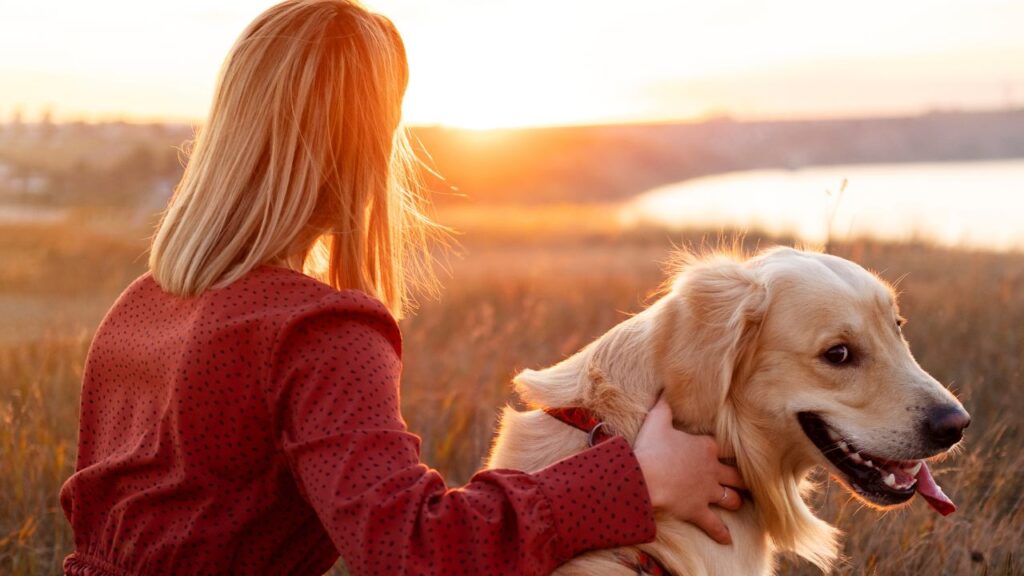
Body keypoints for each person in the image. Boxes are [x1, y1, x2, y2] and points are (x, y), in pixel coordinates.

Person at [58, 1, 746, 574]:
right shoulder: (315, 332)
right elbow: (414, 548)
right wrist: (639, 478)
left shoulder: (142, 305)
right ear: (368, 146)